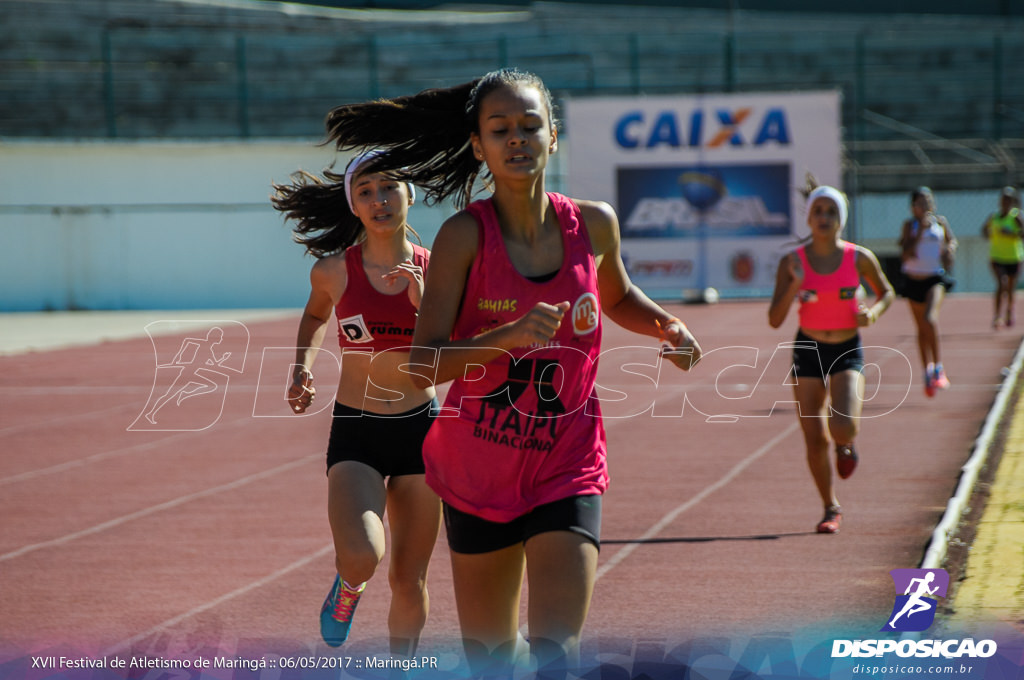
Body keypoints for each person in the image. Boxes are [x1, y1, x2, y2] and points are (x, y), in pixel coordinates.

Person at [319, 68, 702, 677]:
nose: (517, 138)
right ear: (479, 145)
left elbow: (620, 295)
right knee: (495, 660)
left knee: (556, 653)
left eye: (531, 126)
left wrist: (666, 327)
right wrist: (509, 337)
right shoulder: (464, 236)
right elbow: (423, 365)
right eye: (500, 129)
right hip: (479, 469)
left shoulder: (593, 224)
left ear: (554, 136)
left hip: (566, 460)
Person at [271, 151, 441, 656]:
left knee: (409, 580)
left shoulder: (443, 268)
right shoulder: (333, 271)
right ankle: (348, 588)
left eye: (389, 187)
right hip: (357, 430)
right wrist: (301, 366)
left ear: (411, 195)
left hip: (422, 431)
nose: (379, 200)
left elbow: (459, 346)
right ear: (353, 205)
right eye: (365, 190)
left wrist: (423, 303)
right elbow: (314, 317)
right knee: (363, 555)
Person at [768, 181, 894, 535]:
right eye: (818, 211)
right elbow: (774, 319)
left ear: (842, 219)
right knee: (813, 438)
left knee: (841, 426)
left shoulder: (859, 257)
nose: (824, 217)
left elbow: (886, 291)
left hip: (846, 347)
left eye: (832, 212)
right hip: (807, 348)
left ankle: (847, 443)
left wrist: (874, 312)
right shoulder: (792, 262)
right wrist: (794, 286)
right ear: (808, 218)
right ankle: (830, 506)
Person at [897, 187, 957, 397]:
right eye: (921, 203)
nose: (925, 206)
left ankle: (939, 368)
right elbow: (906, 254)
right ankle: (927, 372)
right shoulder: (910, 226)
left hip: (935, 278)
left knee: (930, 319)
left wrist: (950, 249)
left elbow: (951, 240)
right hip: (913, 279)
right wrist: (920, 231)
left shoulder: (940, 222)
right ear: (913, 207)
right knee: (921, 328)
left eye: (928, 202)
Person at [982, 186, 1024, 329]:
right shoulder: (993, 217)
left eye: (1008, 200)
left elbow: (1023, 234)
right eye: (1003, 200)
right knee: (1002, 283)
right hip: (997, 256)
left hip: (1013, 257)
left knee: (1010, 288)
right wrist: (988, 233)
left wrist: (1011, 233)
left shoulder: (1016, 217)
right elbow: (983, 231)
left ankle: (1009, 312)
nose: (1005, 203)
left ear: (1012, 202)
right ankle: (997, 316)